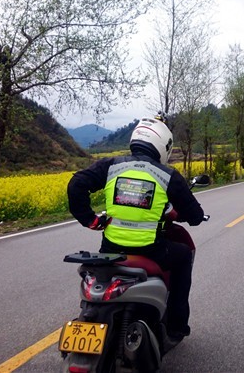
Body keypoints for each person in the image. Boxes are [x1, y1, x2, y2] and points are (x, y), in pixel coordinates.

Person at [67, 115, 205, 341]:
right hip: (151, 251)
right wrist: (190, 216)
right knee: (183, 257)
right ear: (162, 145)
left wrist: (90, 219)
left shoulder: (111, 166)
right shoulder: (167, 175)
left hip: (111, 250)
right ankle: (177, 326)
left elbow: (76, 185)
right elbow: (195, 216)